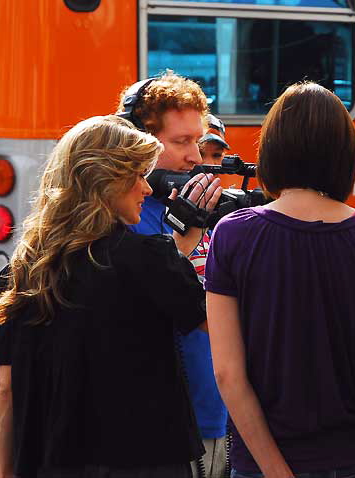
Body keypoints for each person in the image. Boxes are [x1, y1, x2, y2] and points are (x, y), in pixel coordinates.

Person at [204, 82, 355, 478]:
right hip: (354, 458)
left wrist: (274, 471)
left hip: (261, 465)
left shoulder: (233, 234)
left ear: (272, 148)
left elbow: (227, 373)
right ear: (344, 153)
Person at [0, 115, 207, 478]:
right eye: (138, 175)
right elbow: (221, 327)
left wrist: (4, 473)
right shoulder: (149, 260)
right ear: (105, 181)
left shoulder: (22, 270)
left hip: (49, 464)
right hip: (142, 464)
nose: (147, 189)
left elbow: (7, 391)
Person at [117, 72, 228, 478]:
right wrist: (181, 242)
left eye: (198, 141)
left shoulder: (196, 204)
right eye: (181, 142)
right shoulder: (124, 220)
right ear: (137, 143)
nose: (196, 157)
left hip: (218, 416)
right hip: (160, 429)